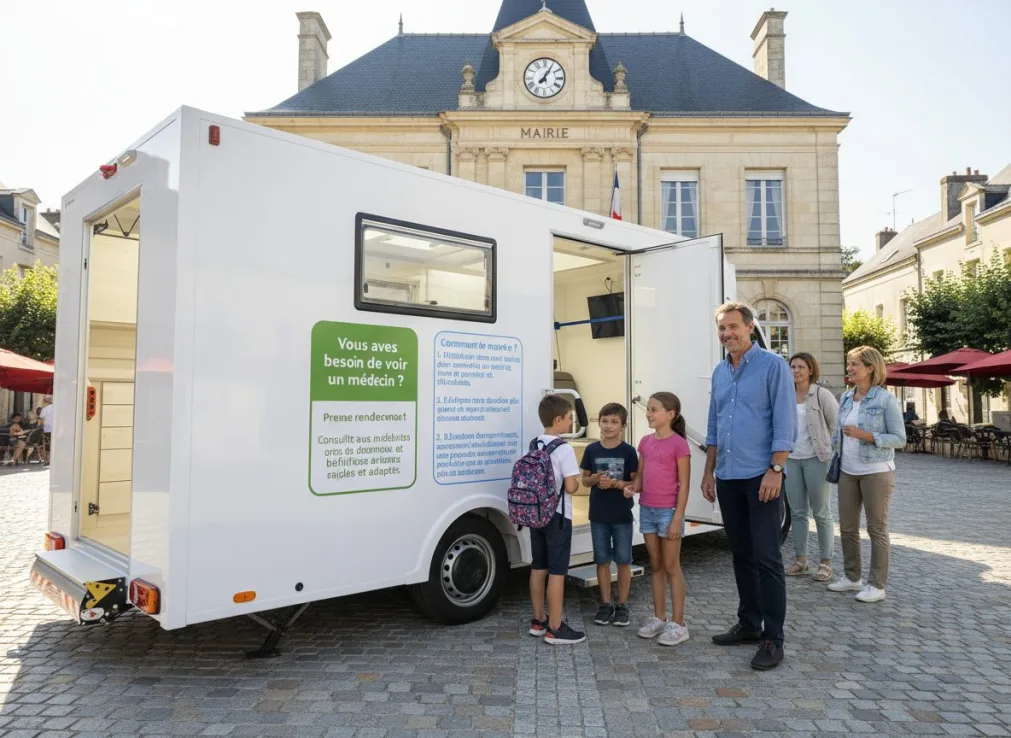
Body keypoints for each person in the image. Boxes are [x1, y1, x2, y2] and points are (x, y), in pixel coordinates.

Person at [701, 301, 795, 671]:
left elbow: (785, 422)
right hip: (727, 476)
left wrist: (776, 469)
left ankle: (774, 637)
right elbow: (713, 426)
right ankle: (749, 624)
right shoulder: (719, 372)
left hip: (762, 475)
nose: (727, 334)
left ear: (751, 327)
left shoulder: (773, 366)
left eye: (733, 327)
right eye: (722, 329)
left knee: (768, 557)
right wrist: (709, 471)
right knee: (740, 553)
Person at [827, 346, 906, 603]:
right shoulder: (847, 398)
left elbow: (900, 439)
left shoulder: (885, 399)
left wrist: (868, 436)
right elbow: (838, 432)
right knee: (847, 528)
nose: (849, 369)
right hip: (848, 470)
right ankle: (852, 578)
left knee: (876, 528)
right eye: (848, 364)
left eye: (854, 364)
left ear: (870, 368)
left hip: (876, 472)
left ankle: (877, 585)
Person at [633, 392, 692, 647]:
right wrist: (630, 487)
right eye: (648, 409)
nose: (648, 413)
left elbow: (685, 486)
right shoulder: (645, 442)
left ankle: (679, 624)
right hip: (647, 509)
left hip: (669, 512)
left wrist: (677, 518)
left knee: (671, 566)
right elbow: (640, 477)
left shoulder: (679, 444)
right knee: (655, 566)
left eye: (654, 409)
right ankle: (659, 617)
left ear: (670, 414)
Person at [528, 394, 585, 645]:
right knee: (558, 572)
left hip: (535, 514)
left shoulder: (534, 444)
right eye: (569, 418)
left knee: (538, 567)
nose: (571, 422)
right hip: (558, 516)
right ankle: (556, 627)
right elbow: (571, 487)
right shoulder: (564, 448)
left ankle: (538, 621)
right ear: (558, 419)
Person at [581, 403, 639, 628]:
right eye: (604, 421)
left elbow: (635, 483)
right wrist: (595, 480)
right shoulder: (592, 450)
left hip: (622, 515)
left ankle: (622, 604)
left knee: (624, 561)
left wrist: (614, 483)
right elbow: (584, 480)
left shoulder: (628, 451)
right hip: (598, 515)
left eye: (614, 422)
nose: (608, 426)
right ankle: (605, 604)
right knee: (602, 560)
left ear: (623, 425)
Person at [784, 353, 839, 582]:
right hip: (791, 460)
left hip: (817, 458)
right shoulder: (784, 395)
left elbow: (836, 425)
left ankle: (825, 562)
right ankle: (801, 560)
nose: (796, 371)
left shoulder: (821, 395)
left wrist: (834, 454)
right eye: (793, 366)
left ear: (810, 370)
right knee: (797, 513)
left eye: (800, 367)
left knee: (821, 512)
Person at [39, 397, 53, 465]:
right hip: (56, 429)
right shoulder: (57, 407)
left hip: (47, 429)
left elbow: (41, 420)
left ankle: (48, 460)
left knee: (47, 445)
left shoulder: (44, 409)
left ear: (45, 402)